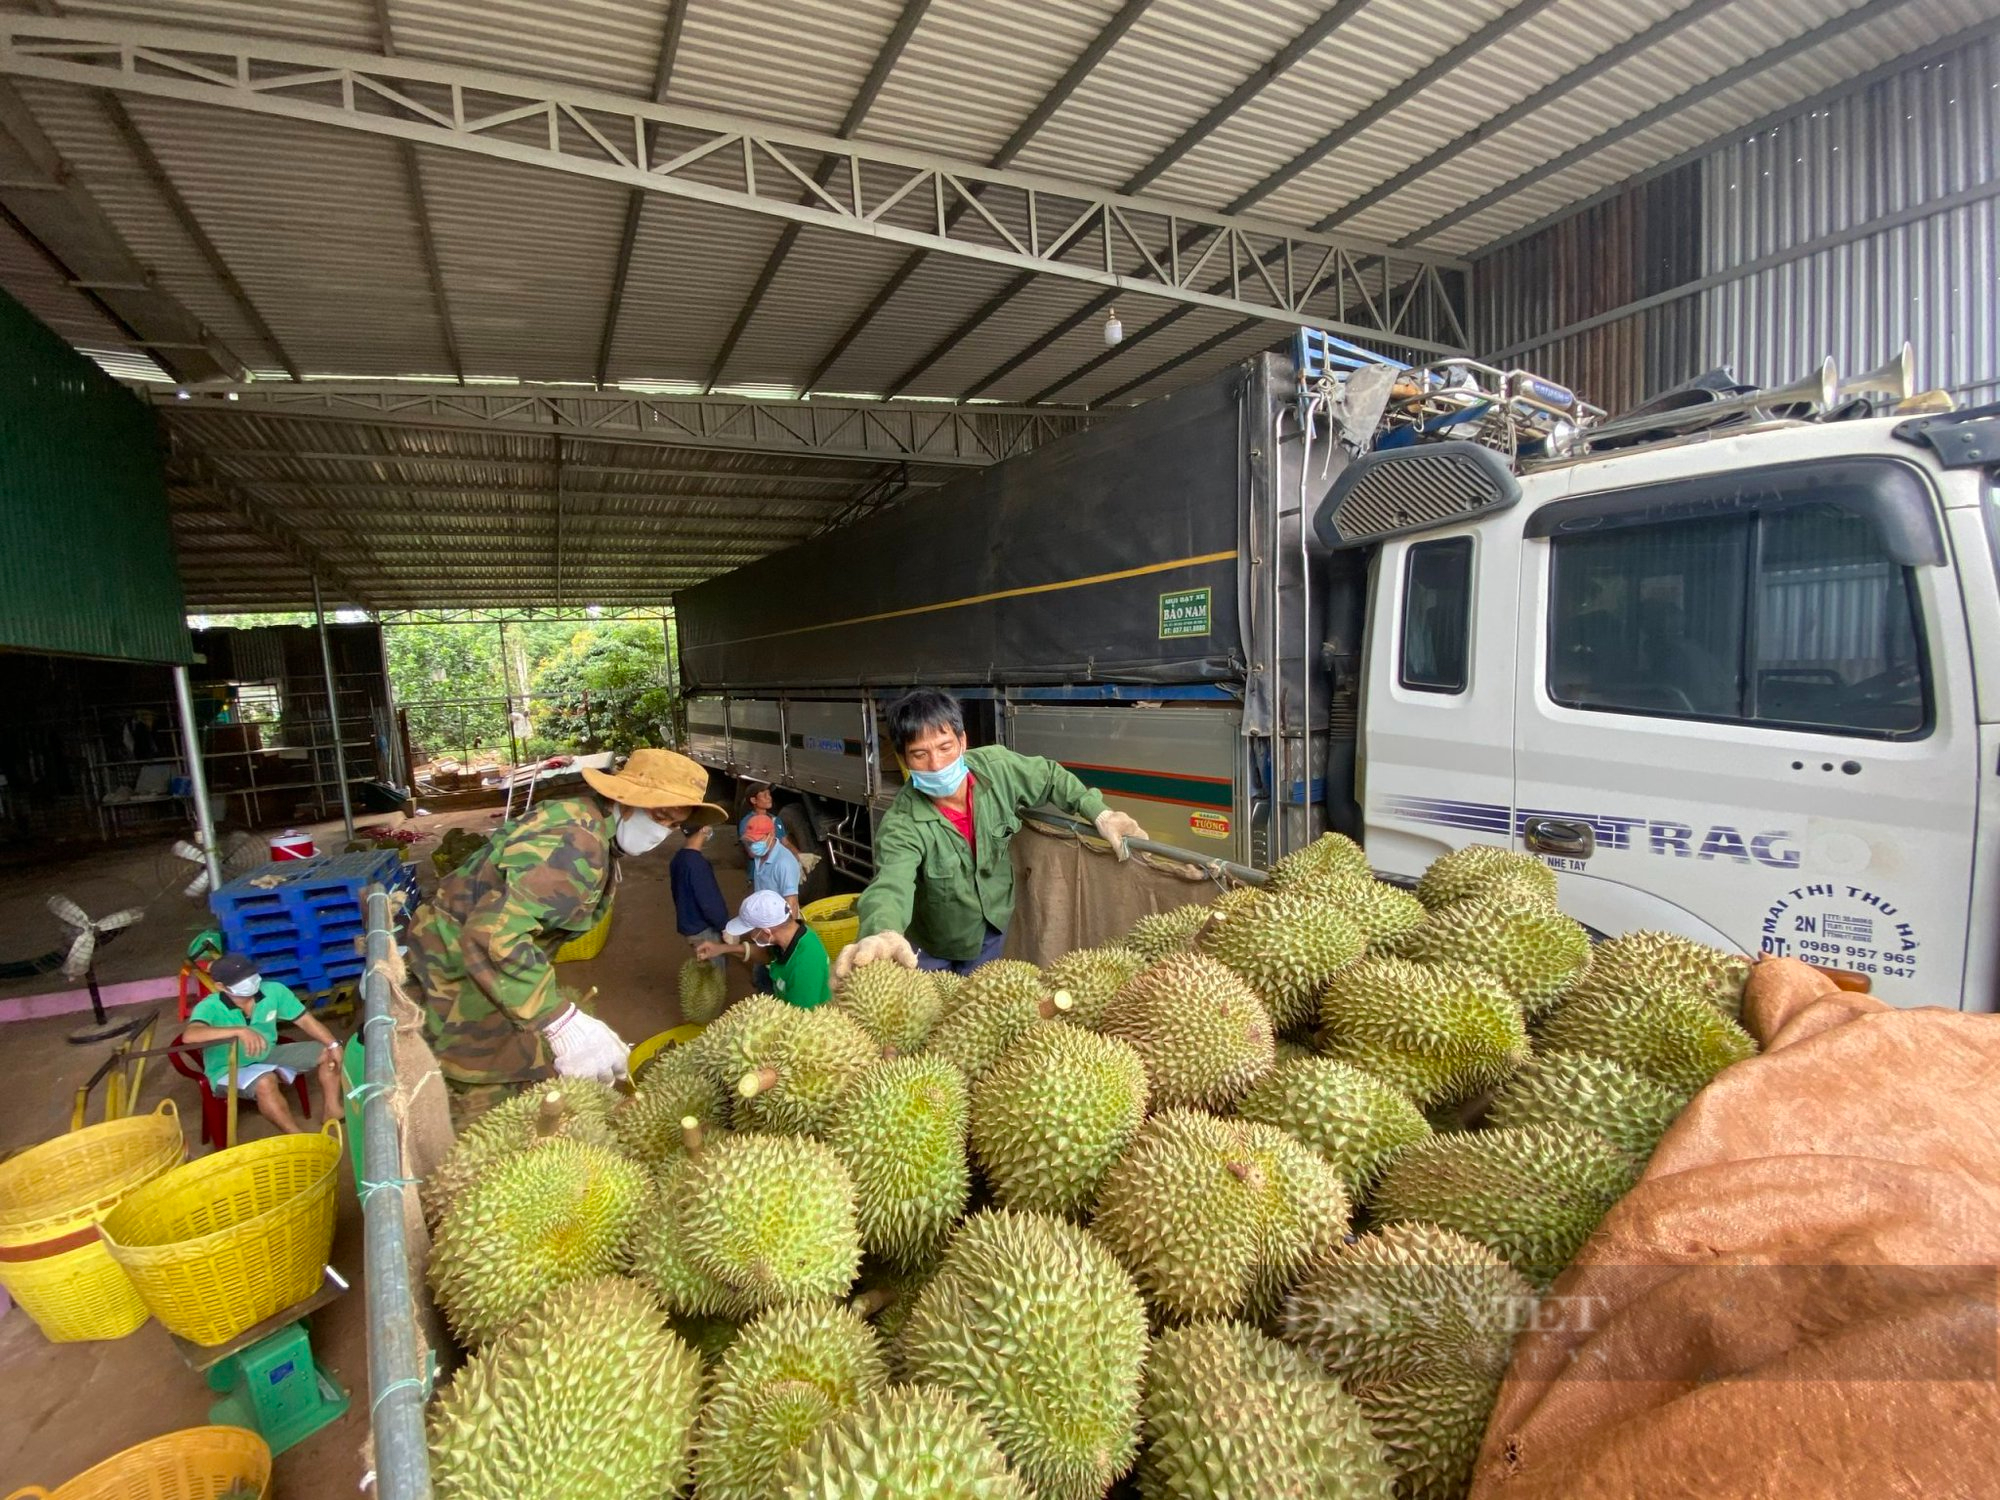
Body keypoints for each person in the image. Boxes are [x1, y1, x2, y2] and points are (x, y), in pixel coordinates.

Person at [408, 747, 726, 1094]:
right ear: (625, 799)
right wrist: (559, 1020)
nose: (661, 832)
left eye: (674, 824)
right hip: (457, 970)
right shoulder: (576, 845)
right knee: (489, 1088)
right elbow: (492, 936)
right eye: (659, 815)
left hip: (463, 957)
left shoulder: (584, 818)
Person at [836, 688, 1146, 980]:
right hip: (932, 946)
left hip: (991, 931)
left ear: (962, 741)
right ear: (904, 760)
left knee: (981, 1010)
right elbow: (892, 883)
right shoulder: (902, 822)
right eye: (920, 755)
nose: (936, 764)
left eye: (945, 748)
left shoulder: (997, 769)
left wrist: (1099, 812)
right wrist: (884, 932)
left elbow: (1050, 778)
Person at [182, 952, 343, 1133]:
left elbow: (305, 1020)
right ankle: (297, 1137)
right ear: (221, 986)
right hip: (228, 1068)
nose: (251, 981)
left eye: (251, 975)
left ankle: (332, 1109)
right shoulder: (209, 1006)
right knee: (266, 1081)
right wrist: (239, 1030)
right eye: (241, 980)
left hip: (267, 1053)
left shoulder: (274, 991)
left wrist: (333, 1044)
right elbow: (190, 1035)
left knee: (328, 1052)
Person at [696, 888, 831, 1009]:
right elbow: (767, 955)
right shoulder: (788, 938)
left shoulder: (805, 965)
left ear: (767, 933)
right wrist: (721, 949)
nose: (750, 935)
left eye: (751, 931)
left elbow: (800, 1023)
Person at [669, 819, 730, 971]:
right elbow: (710, 902)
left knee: (703, 968)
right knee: (713, 975)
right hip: (703, 928)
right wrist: (724, 926)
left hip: (689, 924)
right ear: (703, 829)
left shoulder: (679, 858)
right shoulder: (697, 864)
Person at [738, 781, 821, 875]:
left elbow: (785, 842)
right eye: (764, 795)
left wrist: (799, 856)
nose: (769, 797)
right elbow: (752, 852)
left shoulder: (775, 820)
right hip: (760, 874)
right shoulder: (748, 822)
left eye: (769, 794)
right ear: (754, 800)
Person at [743, 812, 802, 919]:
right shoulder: (759, 854)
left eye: (758, 840)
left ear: (771, 835)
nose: (753, 845)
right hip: (764, 917)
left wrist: (789, 932)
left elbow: (792, 903)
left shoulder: (785, 863)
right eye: (751, 841)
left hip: (779, 921)